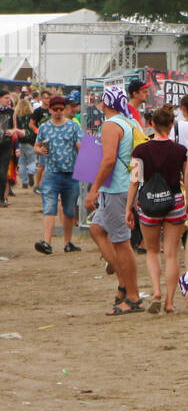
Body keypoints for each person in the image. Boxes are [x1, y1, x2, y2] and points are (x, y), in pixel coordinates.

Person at [86, 85, 142, 315]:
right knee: (97, 229)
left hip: (115, 188)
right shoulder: (130, 122)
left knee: (121, 243)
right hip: (123, 185)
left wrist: (94, 189)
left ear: (104, 103)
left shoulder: (111, 125)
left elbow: (108, 159)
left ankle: (133, 296)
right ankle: (123, 283)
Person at [127, 106, 188, 314]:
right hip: (175, 202)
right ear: (171, 125)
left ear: (152, 124)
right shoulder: (181, 151)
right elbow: (186, 180)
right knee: (172, 254)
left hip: (149, 204)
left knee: (152, 251)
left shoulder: (140, 151)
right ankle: (170, 303)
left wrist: (129, 208)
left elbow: (134, 182)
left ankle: (156, 292)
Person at [34, 94, 83, 255]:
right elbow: (37, 145)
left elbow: (79, 146)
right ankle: (47, 242)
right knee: (49, 208)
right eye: (55, 109)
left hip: (70, 174)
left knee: (69, 210)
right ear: (50, 110)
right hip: (51, 173)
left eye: (61, 109)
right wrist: (40, 150)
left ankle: (68, 242)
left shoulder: (73, 126)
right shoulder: (44, 127)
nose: (58, 112)